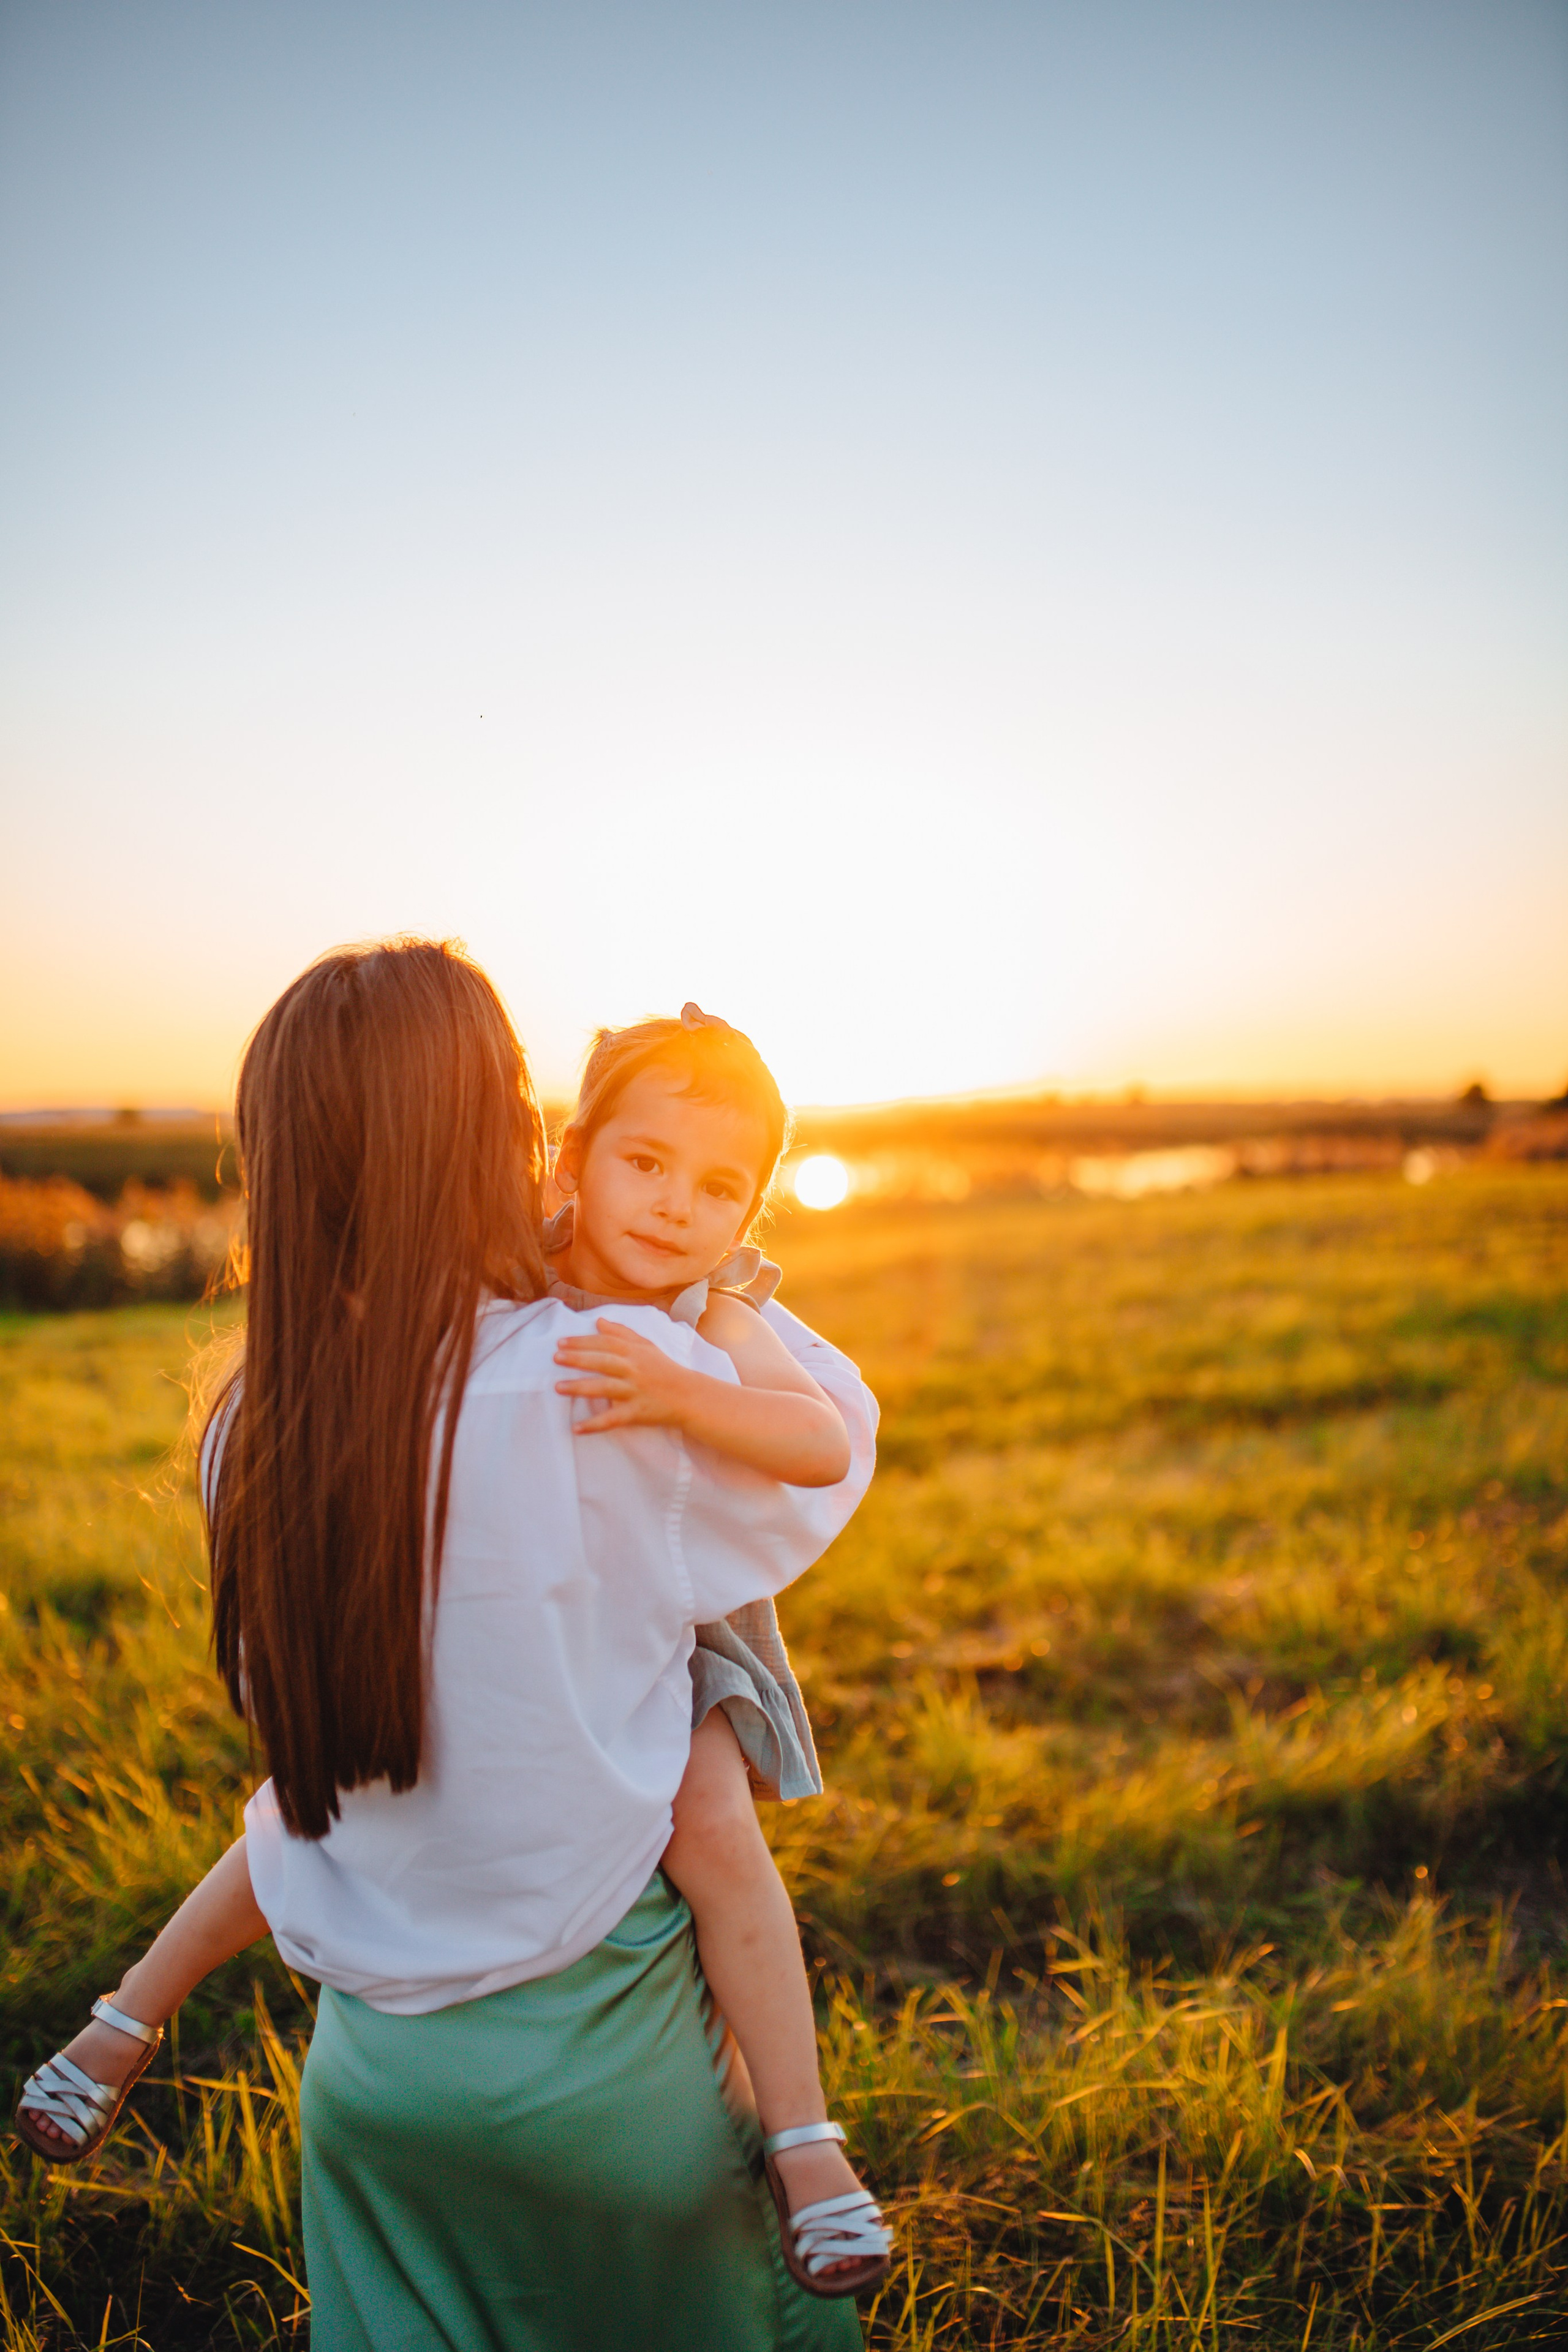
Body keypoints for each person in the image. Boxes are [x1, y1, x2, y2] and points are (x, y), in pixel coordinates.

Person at [12, 940, 882, 2350]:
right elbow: (828, 1441)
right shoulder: (590, 1386)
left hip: (366, 2095)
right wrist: (732, 1300)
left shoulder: (253, 1417)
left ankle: (123, 2019)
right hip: (604, 2093)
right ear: (523, 1140)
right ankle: (809, 2143)